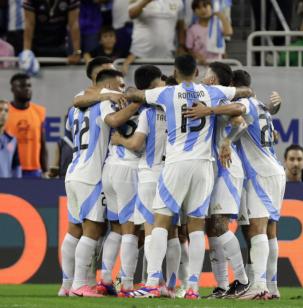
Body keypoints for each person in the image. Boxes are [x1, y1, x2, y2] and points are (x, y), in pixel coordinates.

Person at [124, 55, 253, 299]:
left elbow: (135, 95)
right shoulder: (212, 91)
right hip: (204, 166)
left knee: (161, 221)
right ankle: (193, 287)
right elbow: (245, 91)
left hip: (176, 164)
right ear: (196, 72)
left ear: (175, 71)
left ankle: (152, 283)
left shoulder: (167, 93)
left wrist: (123, 94)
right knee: (196, 227)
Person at [59, 69, 145, 297]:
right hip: (91, 173)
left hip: (74, 172)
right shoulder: (106, 101)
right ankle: (79, 284)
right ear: (107, 84)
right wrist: (138, 101)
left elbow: (78, 101)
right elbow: (114, 119)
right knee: (93, 229)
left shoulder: (79, 104)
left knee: (74, 230)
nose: (122, 89)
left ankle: (68, 284)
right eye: (119, 85)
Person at [108, 65, 181, 298]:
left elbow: (137, 144)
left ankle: (151, 282)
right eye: (160, 79)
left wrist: (120, 140)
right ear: (154, 83)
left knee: (151, 229)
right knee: (173, 232)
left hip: (150, 173)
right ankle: (170, 284)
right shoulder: (177, 109)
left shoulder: (148, 112)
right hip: (173, 173)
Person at [230, 69, 286, 300]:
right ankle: (271, 286)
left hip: (260, 173)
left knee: (257, 229)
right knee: (270, 231)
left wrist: (226, 140)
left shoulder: (244, 104)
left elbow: (239, 124)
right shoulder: (262, 107)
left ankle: (259, 286)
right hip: (274, 169)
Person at [201, 62, 249, 299]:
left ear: (212, 80)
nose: (202, 77)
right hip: (214, 169)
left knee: (219, 225)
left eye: (206, 74)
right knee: (212, 228)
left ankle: (242, 281)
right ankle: (221, 286)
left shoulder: (219, 100)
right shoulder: (209, 99)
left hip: (228, 168)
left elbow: (240, 120)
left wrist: (227, 141)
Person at [122, 0, 186, 74]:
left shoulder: (178, 1)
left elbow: (181, 25)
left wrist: (181, 45)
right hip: (139, 56)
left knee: (164, 84)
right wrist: (145, 2)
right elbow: (131, 14)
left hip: (166, 55)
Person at [4, 73, 47, 178]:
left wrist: (45, 170)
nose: (27, 89)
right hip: (10, 170)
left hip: (34, 171)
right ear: (13, 89)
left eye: (29, 86)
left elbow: (42, 144)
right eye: (22, 86)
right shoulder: (4, 112)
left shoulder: (39, 111)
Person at [186, 0, 233, 65]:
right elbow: (189, 49)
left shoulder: (217, 25)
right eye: (198, 8)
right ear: (194, 12)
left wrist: (222, 16)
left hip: (217, 63)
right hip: (200, 64)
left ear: (211, 8)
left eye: (205, 6)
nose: (202, 10)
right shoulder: (192, 29)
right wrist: (197, 56)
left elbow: (228, 33)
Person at [0, 99, 22, 178]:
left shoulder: (13, 140)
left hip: (6, 186)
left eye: (6, 111)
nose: (3, 113)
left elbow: (16, 167)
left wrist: (18, 184)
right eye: (0, 110)